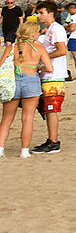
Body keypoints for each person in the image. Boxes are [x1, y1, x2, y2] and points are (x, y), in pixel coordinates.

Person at [32, 3, 68, 154]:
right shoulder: (48, 30)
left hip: (54, 75)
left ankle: (53, 141)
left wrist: (43, 58)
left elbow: (61, 50)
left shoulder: (56, 29)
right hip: (47, 74)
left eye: (41, 12)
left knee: (51, 109)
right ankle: (51, 139)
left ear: (50, 13)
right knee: (47, 109)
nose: (38, 16)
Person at [4, 22, 38, 158]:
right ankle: (24, 151)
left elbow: (1, 64)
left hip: (13, 82)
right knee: (27, 118)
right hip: (31, 81)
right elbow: (49, 67)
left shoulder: (11, 47)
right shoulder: (38, 48)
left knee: (6, 118)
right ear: (32, 34)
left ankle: (0, 149)